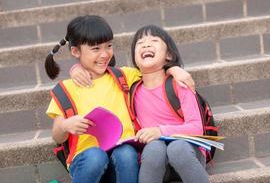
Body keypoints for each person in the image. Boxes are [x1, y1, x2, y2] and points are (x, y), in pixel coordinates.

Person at [45, 15, 195, 183]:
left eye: (109, 46)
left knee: (126, 153)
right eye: (96, 49)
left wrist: (174, 69)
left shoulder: (123, 76)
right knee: (96, 156)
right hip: (87, 163)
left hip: (122, 160)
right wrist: (66, 125)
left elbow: (153, 69)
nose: (104, 54)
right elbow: (57, 136)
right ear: (75, 51)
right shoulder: (65, 89)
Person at [131, 25, 209, 183]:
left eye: (154, 40)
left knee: (177, 148)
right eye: (140, 43)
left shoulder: (179, 84)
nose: (146, 44)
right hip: (157, 162)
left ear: (169, 55)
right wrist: (77, 68)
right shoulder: (132, 88)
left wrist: (160, 131)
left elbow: (196, 127)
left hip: (187, 154)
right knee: (154, 148)